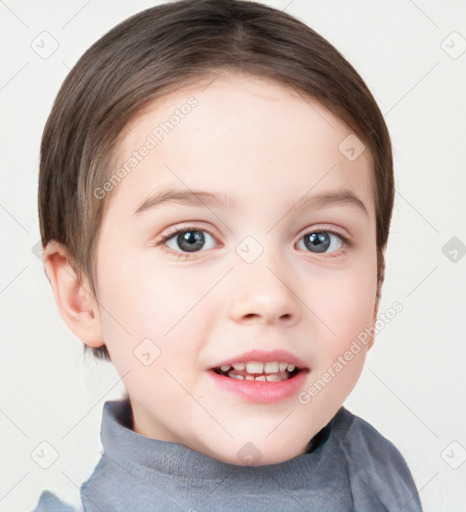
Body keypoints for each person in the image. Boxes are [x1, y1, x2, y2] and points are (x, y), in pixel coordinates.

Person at [33, 0, 422, 510]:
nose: (267, 296)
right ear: (82, 296)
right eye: (189, 238)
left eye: (318, 239)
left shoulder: (377, 469)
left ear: (376, 287)